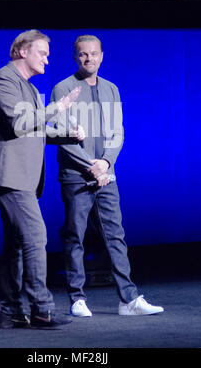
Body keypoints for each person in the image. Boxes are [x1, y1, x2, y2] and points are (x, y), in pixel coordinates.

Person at [0, 29, 83, 329]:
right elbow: (19, 124)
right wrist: (58, 108)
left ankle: (10, 312)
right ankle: (41, 308)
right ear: (22, 51)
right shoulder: (4, 80)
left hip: (22, 176)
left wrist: (65, 134)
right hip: (7, 175)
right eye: (42, 53)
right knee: (35, 236)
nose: (47, 59)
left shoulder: (29, 88)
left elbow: (33, 129)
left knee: (17, 244)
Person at [50, 34, 164, 317]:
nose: (88, 58)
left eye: (93, 53)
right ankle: (77, 298)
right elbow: (64, 136)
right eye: (82, 54)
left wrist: (105, 163)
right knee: (75, 236)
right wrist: (92, 166)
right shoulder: (62, 88)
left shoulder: (111, 88)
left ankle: (128, 300)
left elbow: (118, 132)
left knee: (116, 235)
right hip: (77, 176)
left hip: (107, 174)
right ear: (75, 57)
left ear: (102, 56)